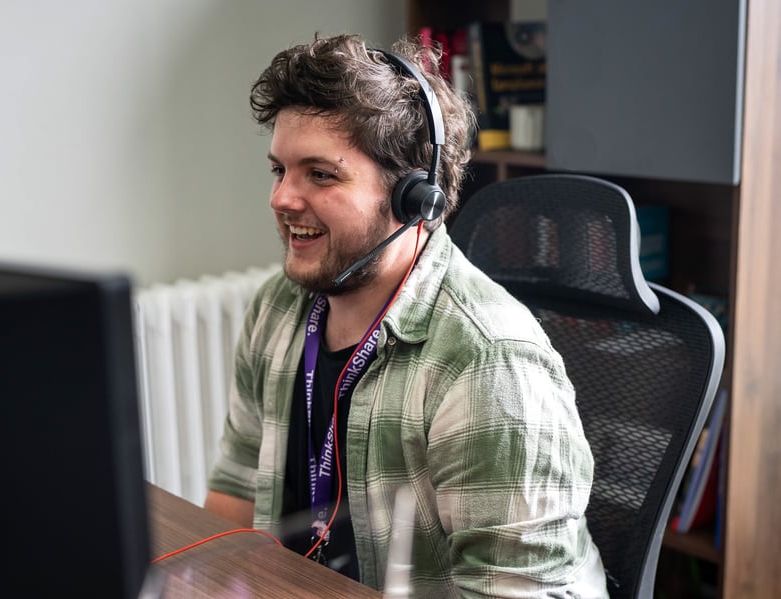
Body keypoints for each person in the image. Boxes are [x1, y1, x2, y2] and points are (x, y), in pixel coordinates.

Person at [204, 33, 609, 598]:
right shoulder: (279, 307)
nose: (281, 198)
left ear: (414, 199)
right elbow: (235, 488)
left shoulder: (487, 364)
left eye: (320, 174)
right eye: (279, 170)